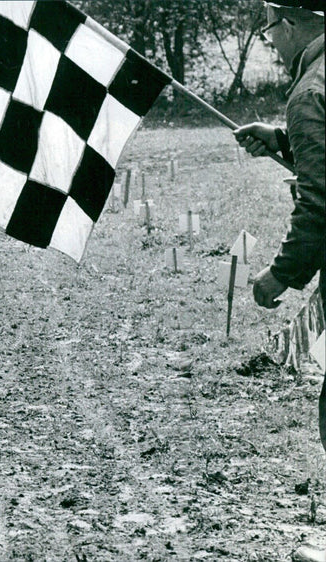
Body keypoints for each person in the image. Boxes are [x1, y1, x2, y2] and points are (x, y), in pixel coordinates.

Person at [234, 2, 324, 561]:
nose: (268, 42)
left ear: (290, 23)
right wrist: (285, 139)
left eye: (268, 31)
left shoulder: (310, 92)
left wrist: (278, 275)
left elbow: (319, 204)